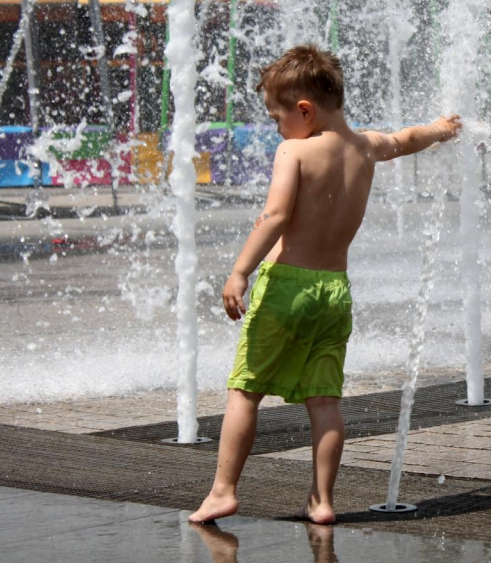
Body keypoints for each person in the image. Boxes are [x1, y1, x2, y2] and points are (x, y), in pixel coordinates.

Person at [189, 44, 461, 525]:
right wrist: (441, 130)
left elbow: (274, 216)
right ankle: (321, 500)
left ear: (304, 111)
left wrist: (239, 271)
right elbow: (408, 138)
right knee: (325, 401)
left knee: (245, 391)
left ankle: (222, 491)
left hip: (286, 288)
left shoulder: (294, 150)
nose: (276, 128)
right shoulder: (367, 147)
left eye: (276, 118)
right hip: (334, 293)